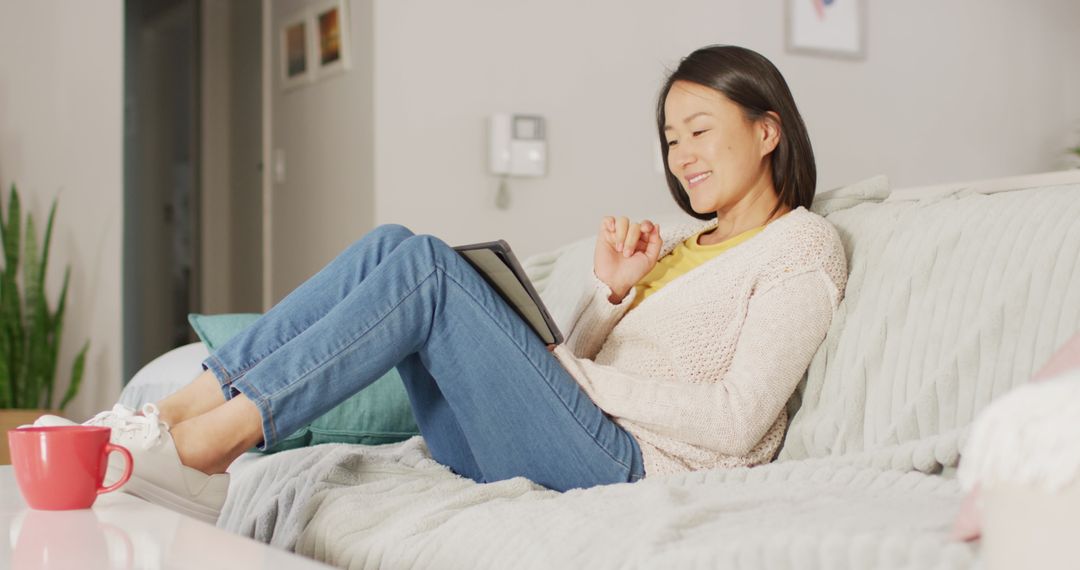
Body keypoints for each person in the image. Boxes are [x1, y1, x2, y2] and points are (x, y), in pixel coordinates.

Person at [38, 44, 847, 523]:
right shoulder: (672, 243)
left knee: (427, 266)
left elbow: (741, 421)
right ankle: (176, 413)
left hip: (632, 466)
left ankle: (219, 441)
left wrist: (579, 376)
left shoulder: (801, 247)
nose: (682, 156)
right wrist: (610, 292)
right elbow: (576, 364)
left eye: (700, 132)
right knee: (393, 245)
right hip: (558, 438)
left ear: (767, 128)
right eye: (671, 139)